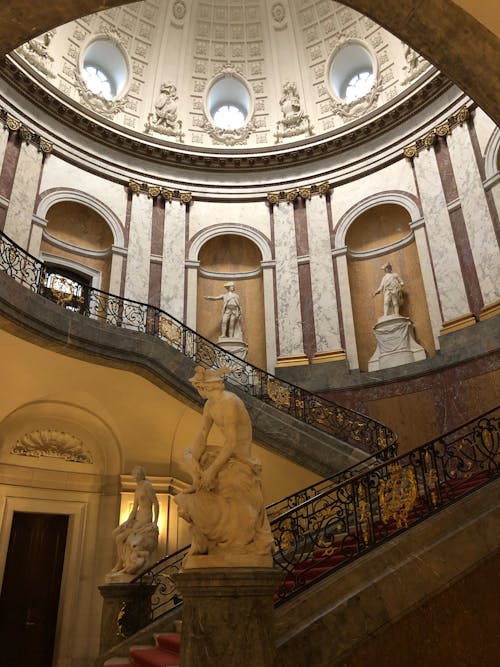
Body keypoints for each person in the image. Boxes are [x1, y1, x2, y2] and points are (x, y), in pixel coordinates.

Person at [174, 366, 273, 567]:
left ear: (205, 386)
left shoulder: (229, 402)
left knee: (214, 474)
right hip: (226, 454)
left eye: (198, 386)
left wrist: (212, 470)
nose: (198, 390)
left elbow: (231, 442)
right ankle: (197, 485)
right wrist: (194, 459)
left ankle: (232, 535)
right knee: (188, 456)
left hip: (239, 456)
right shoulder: (210, 405)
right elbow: (202, 434)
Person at [110, 465, 159, 575]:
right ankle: (121, 562)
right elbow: (134, 509)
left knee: (124, 539)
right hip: (137, 519)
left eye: (137, 474)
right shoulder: (137, 488)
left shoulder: (147, 486)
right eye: (134, 474)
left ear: (142, 474)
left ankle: (122, 563)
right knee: (117, 536)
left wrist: (155, 522)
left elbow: (155, 503)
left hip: (145, 520)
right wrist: (126, 522)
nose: (135, 476)